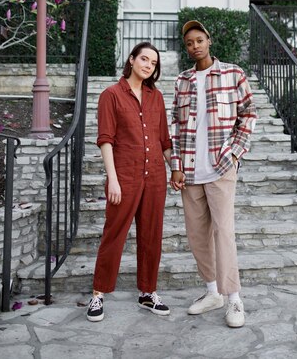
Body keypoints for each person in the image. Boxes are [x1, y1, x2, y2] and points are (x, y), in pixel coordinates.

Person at [170, 20, 257, 328]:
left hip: (221, 168)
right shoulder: (182, 80)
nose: (195, 46)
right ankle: (212, 292)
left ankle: (233, 298)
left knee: (223, 233)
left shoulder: (233, 73)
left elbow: (249, 114)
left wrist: (233, 153)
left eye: (199, 40)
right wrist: (176, 167)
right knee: (197, 237)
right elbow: (176, 128)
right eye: (189, 42)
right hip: (190, 173)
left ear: (208, 40)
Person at [87, 41, 172, 322]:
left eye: (154, 63)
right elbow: (106, 140)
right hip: (124, 176)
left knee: (151, 235)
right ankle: (98, 295)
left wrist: (177, 168)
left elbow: (164, 140)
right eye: (145, 59)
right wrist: (112, 179)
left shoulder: (155, 97)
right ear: (132, 59)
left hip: (156, 176)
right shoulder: (111, 95)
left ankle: (147, 292)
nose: (149, 65)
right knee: (115, 234)